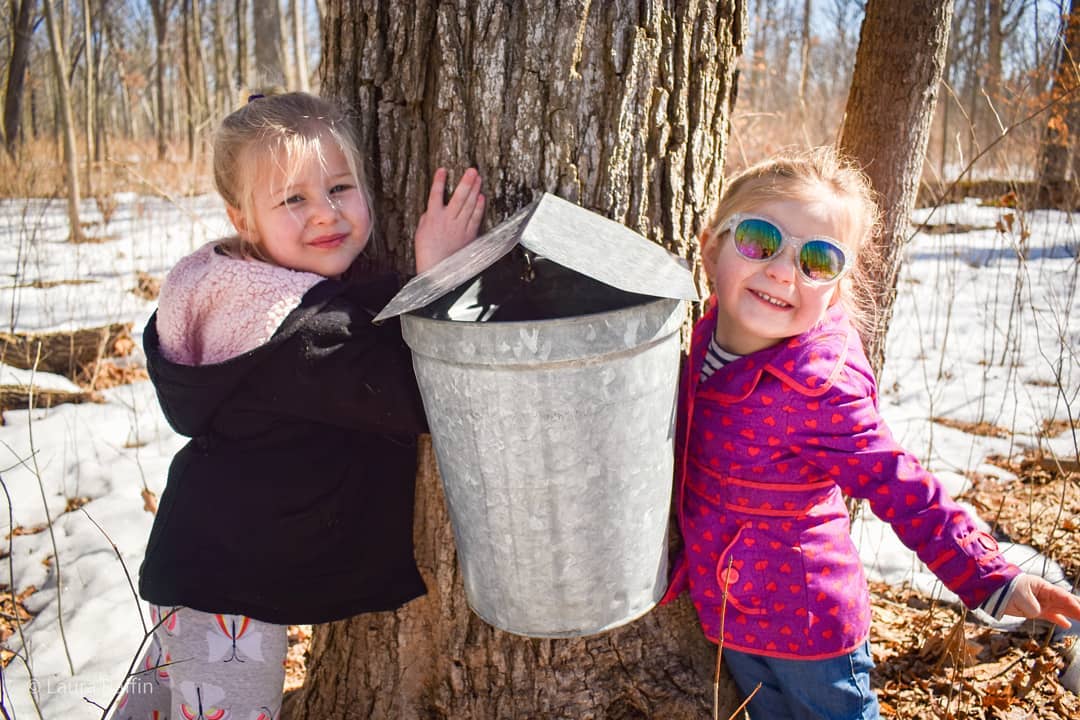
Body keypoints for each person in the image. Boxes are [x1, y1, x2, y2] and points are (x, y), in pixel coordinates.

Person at [661, 146, 1080, 719]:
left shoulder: (818, 388)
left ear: (835, 288)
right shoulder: (698, 334)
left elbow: (900, 484)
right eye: (759, 240)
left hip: (812, 634)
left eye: (817, 260)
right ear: (711, 247)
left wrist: (991, 575)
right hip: (730, 614)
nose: (782, 271)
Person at [110, 92, 485, 720]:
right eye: (292, 199)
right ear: (241, 217)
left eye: (339, 188)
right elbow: (425, 397)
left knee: (159, 707)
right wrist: (436, 276)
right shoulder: (302, 334)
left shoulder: (232, 294)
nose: (325, 215)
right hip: (228, 595)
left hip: (198, 568)